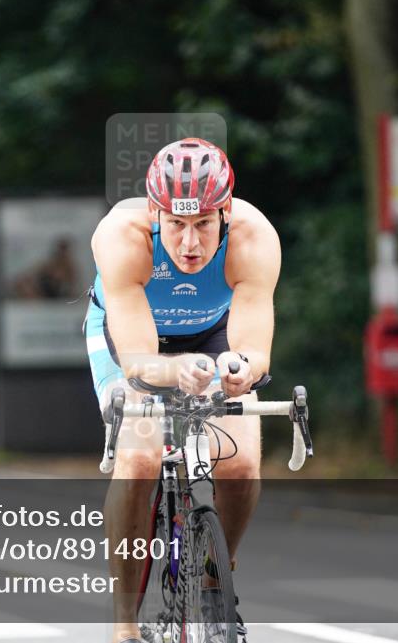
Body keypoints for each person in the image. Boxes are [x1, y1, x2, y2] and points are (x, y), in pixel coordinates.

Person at [85, 138, 281, 643]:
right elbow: (138, 362)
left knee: (240, 460)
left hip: (211, 334)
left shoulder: (254, 238)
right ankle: (124, 623)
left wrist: (241, 368)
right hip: (130, 337)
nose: (189, 243)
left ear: (226, 212)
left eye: (202, 225)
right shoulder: (121, 236)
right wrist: (175, 372)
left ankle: (217, 577)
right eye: (175, 223)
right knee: (140, 459)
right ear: (154, 213)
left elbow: (255, 349)